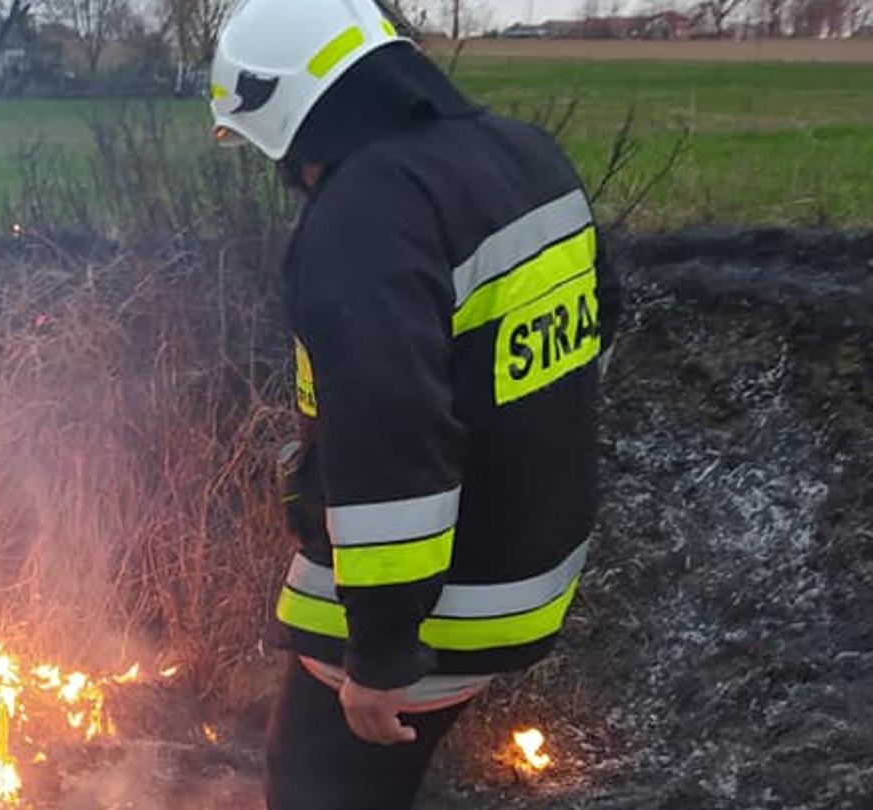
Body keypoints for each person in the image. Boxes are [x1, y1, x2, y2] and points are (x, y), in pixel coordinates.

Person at [205, 1, 617, 807]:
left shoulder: (366, 214)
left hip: (441, 609)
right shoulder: (524, 154)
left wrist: (382, 654)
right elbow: (594, 334)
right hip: (533, 568)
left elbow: (392, 445)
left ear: (293, 117)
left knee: (313, 784)